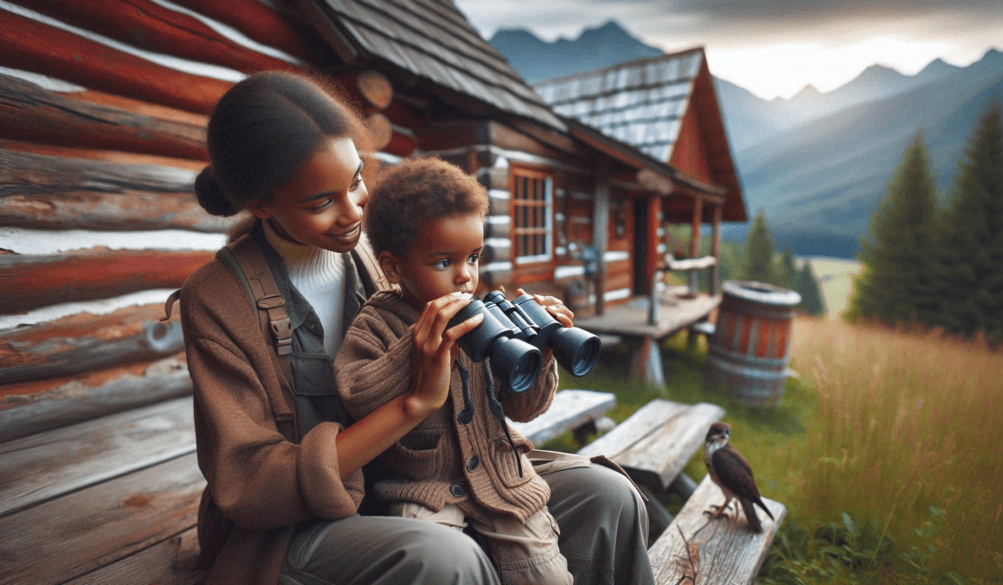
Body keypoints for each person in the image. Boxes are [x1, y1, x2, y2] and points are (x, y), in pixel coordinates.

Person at [178, 69, 654, 585]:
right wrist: (415, 402)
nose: (353, 211)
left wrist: (529, 345)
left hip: (420, 477)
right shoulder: (218, 299)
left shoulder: (376, 252)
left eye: (357, 180)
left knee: (612, 497)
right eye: (321, 202)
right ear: (261, 203)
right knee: (448, 559)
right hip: (295, 526)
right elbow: (251, 488)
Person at [336, 157, 574, 584]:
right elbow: (356, 396)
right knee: (434, 561)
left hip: (503, 480)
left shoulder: (485, 319)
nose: (465, 277)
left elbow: (523, 409)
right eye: (444, 262)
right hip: (422, 489)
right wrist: (414, 350)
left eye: (474, 257)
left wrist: (541, 352)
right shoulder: (377, 323)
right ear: (394, 268)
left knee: (546, 573)